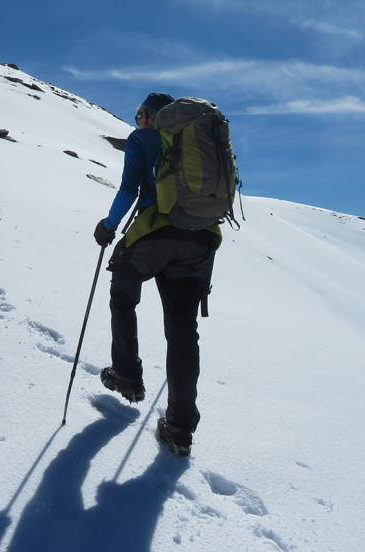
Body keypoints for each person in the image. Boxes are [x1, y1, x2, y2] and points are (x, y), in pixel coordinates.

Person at [93, 92, 222, 458]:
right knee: (183, 331)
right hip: (200, 239)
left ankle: (127, 375)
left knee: (123, 296)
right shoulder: (198, 142)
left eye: (140, 115)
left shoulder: (143, 139)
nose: (139, 121)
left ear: (151, 116)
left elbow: (129, 190)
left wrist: (108, 226)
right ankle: (180, 428)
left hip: (154, 234)